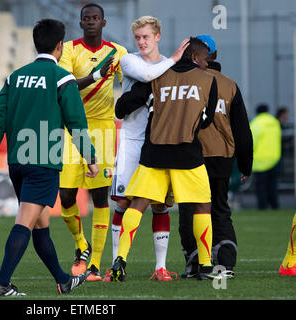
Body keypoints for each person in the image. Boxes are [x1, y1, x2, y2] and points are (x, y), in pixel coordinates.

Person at [0, 19, 99, 296]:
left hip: (17, 163)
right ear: (60, 46)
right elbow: (76, 123)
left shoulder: (15, 77)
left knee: (40, 224)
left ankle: (63, 280)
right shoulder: (63, 78)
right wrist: (90, 157)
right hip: (42, 163)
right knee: (24, 222)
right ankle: (2, 284)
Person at [110, 37, 220, 281]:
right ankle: (205, 266)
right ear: (195, 58)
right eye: (205, 59)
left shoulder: (156, 77)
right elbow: (207, 119)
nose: (207, 64)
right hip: (188, 154)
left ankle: (120, 260)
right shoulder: (208, 80)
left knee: (138, 204)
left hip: (154, 153)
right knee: (202, 205)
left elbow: (123, 107)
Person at [107, 16, 189, 282]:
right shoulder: (130, 60)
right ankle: (115, 265)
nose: (141, 42)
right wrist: (175, 60)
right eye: (138, 38)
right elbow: (147, 75)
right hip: (131, 141)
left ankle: (161, 267)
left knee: (160, 206)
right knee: (122, 202)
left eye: (146, 37)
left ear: (157, 37)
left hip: (160, 143)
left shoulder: (167, 65)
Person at [57, 3, 128, 281]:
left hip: (103, 129)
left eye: (95, 18)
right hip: (72, 129)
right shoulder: (70, 50)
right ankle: (81, 244)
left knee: (100, 198)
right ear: (81, 22)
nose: (90, 22)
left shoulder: (118, 52)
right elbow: (65, 87)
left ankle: (95, 265)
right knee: (66, 195)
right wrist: (97, 75)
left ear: (104, 22)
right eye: (86, 18)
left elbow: (131, 84)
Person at [178, 35, 253, 279]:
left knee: (190, 210)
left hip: (190, 155)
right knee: (220, 209)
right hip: (221, 156)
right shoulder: (229, 84)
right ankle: (224, 263)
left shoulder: (183, 81)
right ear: (215, 55)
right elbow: (241, 128)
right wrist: (245, 164)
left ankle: (195, 264)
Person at [250, 104, 281, 209]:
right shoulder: (274, 122)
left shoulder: (256, 123)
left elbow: (251, 141)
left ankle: (262, 206)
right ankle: (274, 205)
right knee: (273, 186)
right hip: (274, 158)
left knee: (261, 187)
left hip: (260, 161)